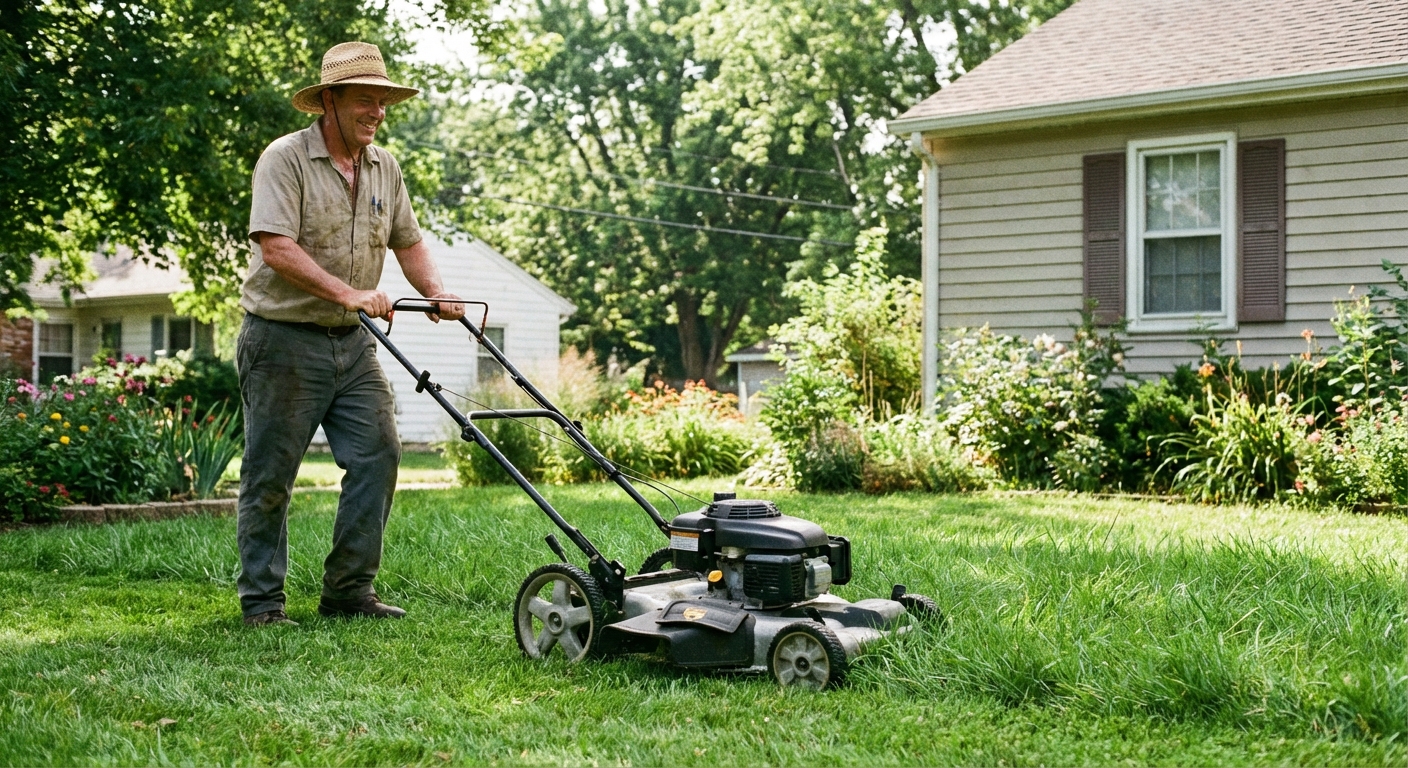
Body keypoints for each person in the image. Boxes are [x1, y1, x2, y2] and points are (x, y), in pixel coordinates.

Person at [237, 42, 464, 627]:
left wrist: (436, 292)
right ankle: (262, 602)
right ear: (330, 100)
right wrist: (349, 293)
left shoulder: (385, 167)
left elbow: (408, 242)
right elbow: (275, 246)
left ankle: (348, 592)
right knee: (271, 476)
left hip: (353, 342)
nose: (377, 111)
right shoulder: (285, 159)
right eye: (366, 99)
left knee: (378, 456)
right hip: (283, 339)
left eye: (383, 101)